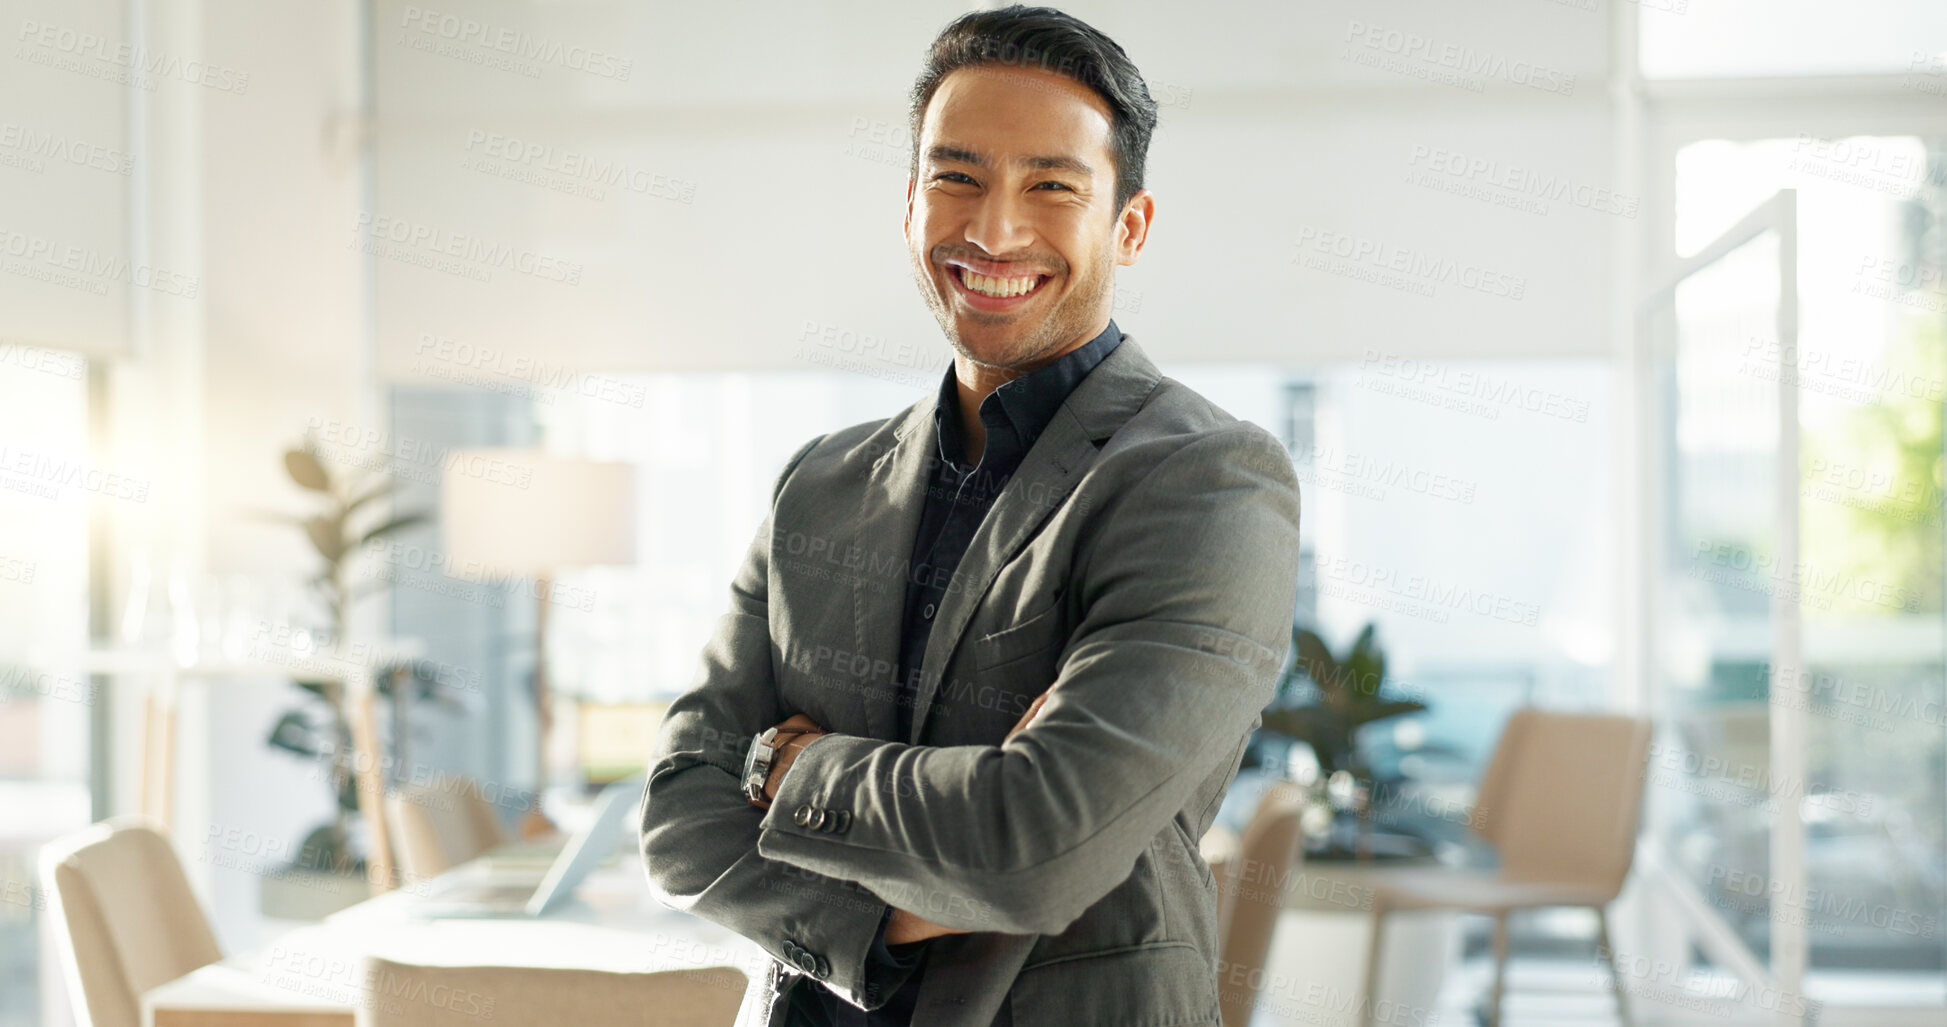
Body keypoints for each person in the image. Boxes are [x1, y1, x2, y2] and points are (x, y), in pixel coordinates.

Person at [639, 6, 1302, 1025]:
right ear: (910, 205)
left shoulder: (1207, 481)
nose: (993, 230)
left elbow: (1037, 843)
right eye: (958, 178)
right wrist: (885, 917)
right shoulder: (815, 483)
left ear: (1128, 224)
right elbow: (682, 815)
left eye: (1051, 185)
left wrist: (790, 767)